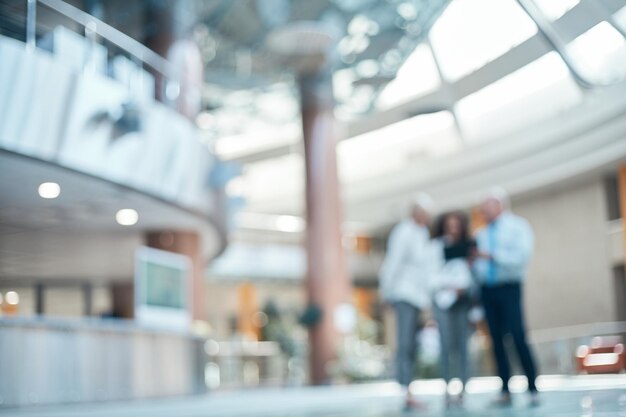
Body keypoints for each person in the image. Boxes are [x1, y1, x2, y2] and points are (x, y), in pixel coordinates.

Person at [472, 188, 539, 407]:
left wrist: (491, 257)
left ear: (500, 204)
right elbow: (478, 268)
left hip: (509, 287)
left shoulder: (518, 226)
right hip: (488, 290)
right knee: (496, 341)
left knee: (518, 336)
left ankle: (532, 388)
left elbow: (521, 258)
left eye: (488, 205)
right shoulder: (480, 234)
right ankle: (505, 390)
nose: (484, 210)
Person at [379, 194, 435, 410]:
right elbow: (393, 262)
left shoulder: (421, 234)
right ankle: (406, 392)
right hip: (403, 295)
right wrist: (386, 292)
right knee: (405, 344)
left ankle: (409, 389)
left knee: (412, 344)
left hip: (417, 298)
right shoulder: (404, 232)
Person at [430, 211, 476, 406]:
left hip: (463, 301)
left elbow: (474, 275)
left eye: (456, 224)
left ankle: (463, 388)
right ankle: (448, 388)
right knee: (446, 345)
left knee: (463, 346)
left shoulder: (469, 245)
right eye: (449, 224)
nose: (453, 228)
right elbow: (431, 274)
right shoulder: (436, 246)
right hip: (443, 301)